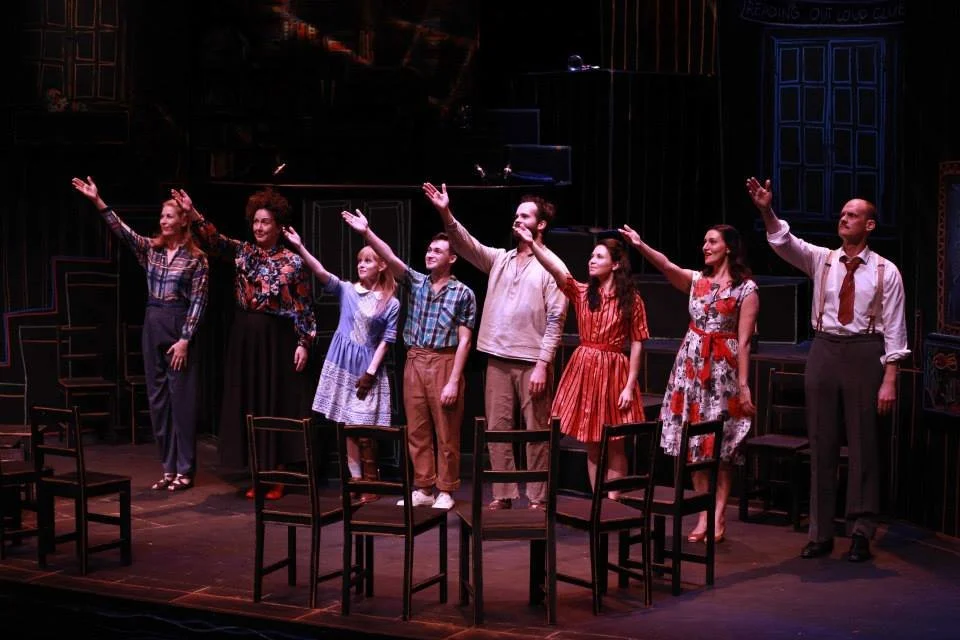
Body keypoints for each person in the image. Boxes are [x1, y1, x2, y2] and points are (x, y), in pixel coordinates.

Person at [746, 177, 909, 562]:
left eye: (852, 215)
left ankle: (861, 531)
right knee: (822, 440)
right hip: (824, 348)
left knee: (864, 442)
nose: (844, 219)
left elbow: (896, 326)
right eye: (841, 214)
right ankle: (820, 532)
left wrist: (890, 377)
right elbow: (784, 243)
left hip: (866, 351)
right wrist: (767, 210)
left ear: (870, 225)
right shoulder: (823, 259)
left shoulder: (887, 271)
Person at [423, 182, 568, 510]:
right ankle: (503, 493)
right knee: (499, 428)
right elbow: (467, 244)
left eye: (525, 216)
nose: (517, 220)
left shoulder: (552, 266)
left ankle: (538, 497)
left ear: (540, 224)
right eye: (516, 215)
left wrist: (544, 363)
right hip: (498, 356)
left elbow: (557, 319)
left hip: (533, 360)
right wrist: (445, 212)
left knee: (536, 431)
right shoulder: (501, 260)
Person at [620, 223, 759, 543]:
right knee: (695, 446)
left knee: (721, 448)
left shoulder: (746, 289)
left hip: (723, 371)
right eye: (704, 241)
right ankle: (703, 515)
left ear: (729, 247)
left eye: (712, 241)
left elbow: (745, 341)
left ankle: (719, 514)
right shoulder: (697, 281)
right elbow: (667, 264)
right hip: (691, 370)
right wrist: (640, 245)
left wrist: (744, 383)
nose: (705, 246)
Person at [174, 188, 316, 500]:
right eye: (255, 222)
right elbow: (216, 241)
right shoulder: (245, 253)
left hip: (277, 338)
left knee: (274, 401)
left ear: (278, 226)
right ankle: (257, 474)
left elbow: (303, 304)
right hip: (245, 336)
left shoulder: (293, 261)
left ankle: (276, 473)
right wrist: (193, 212)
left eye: (265, 222)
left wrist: (304, 341)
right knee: (250, 401)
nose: (259, 227)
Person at [72, 177, 208, 492]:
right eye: (161, 216)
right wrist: (98, 201)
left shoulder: (197, 259)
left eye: (170, 216)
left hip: (179, 325)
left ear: (183, 220)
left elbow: (199, 302)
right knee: (158, 400)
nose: (163, 221)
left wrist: (186, 339)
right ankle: (168, 467)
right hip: (153, 320)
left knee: (182, 401)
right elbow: (122, 231)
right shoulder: (152, 250)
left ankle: (186, 470)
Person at [342, 209, 477, 510]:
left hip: (444, 360)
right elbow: (389, 258)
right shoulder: (416, 282)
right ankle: (424, 487)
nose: (430, 254)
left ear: (452, 258)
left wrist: (454, 380)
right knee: (417, 429)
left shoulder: (463, 293)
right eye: (429, 249)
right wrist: (367, 232)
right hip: (414, 360)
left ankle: (446, 489)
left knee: (446, 430)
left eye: (438, 250)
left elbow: (466, 340)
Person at [514, 224, 650, 496]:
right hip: (585, 368)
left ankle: (614, 500)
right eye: (591, 256)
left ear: (615, 264)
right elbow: (556, 270)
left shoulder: (631, 300)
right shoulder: (582, 292)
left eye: (599, 256)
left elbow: (637, 343)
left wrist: (629, 385)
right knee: (591, 441)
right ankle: (598, 498)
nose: (592, 260)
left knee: (615, 442)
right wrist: (533, 244)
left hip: (614, 371)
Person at [282, 225, 399, 501]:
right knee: (347, 428)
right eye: (359, 260)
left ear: (381, 265)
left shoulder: (390, 302)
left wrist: (371, 373)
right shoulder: (347, 290)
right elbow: (321, 272)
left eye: (368, 260)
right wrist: (300, 246)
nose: (362, 265)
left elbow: (387, 340)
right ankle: (356, 482)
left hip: (366, 367)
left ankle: (372, 483)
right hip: (341, 364)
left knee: (364, 428)